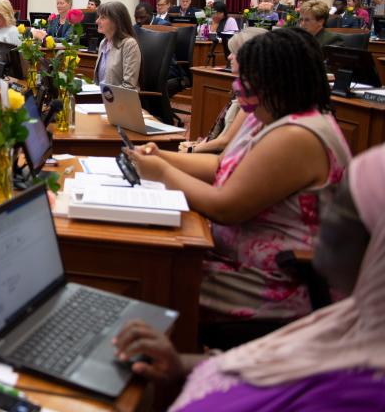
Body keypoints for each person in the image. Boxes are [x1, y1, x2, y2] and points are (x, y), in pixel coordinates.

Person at [113, 142, 385, 412]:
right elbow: (276, 360)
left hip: (265, 285)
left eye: (343, 210)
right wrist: (181, 363)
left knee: (152, 277)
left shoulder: (364, 394)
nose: (324, 220)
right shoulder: (353, 319)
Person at [127, 28, 351, 326]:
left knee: (143, 278)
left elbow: (225, 208)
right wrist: (160, 156)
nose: (238, 85)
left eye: (245, 77)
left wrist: (163, 173)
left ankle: (172, 366)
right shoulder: (270, 115)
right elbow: (222, 165)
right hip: (234, 260)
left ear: (276, 80)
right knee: (145, 257)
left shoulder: (299, 135)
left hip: (276, 282)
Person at [179, 28, 266, 155]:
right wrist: (200, 144)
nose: (229, 57)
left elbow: (225, 142)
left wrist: (192, 150)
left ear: (249, 58)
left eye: (234, 53)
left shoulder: (255, 96)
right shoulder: (245, 89)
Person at [93, 1, 141, 90]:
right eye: (98, 17)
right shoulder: (103, 43)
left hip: (120, 100)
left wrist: (105, 98)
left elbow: (129, 86)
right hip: (102, 97)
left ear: (116, 21)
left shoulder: (129, 44)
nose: (97, 21)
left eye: (102, 18)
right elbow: (99, 81)